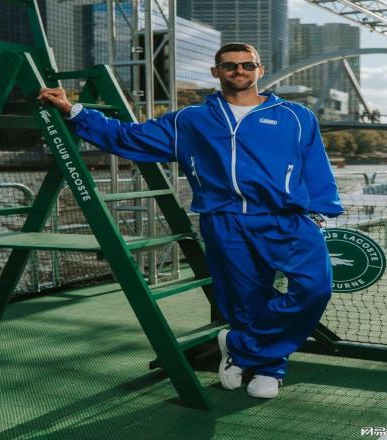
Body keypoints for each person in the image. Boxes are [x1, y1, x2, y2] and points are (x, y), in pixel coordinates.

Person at [38, 42, 343, 399]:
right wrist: (74, 111)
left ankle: (240, 347)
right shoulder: (190, 120)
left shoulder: (296, 116)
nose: (239, 71)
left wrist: (321, 212)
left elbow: (315, 165)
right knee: (245, 299)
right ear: (216, 72)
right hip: (224, 221)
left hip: (287, 219)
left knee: (314, 289)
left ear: (260, 70)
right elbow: (129, 137)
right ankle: (268, 369)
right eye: (229, 65)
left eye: (247, 65)